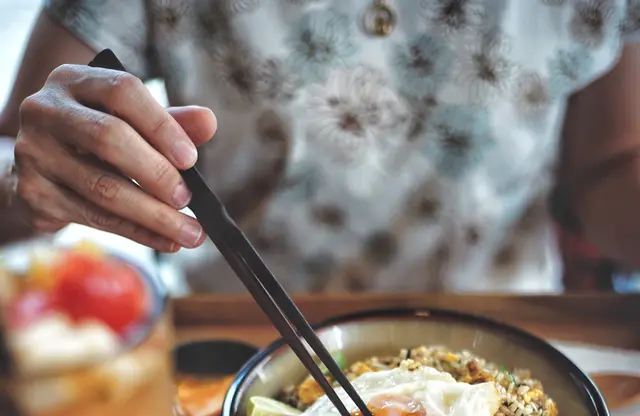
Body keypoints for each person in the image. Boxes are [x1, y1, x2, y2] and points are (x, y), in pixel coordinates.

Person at [0, 0, 639, 296]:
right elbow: (14, 153)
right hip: (238, 339)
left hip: (512, 323)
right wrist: (27, 181)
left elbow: (609, 163)